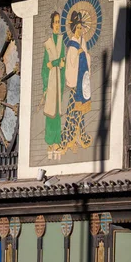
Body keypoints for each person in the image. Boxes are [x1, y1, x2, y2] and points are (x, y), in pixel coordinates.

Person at [61, 10, 93, 153]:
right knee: (74, 111)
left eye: (81, 28)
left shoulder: (82, 42)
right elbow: (70, 63)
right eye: (78, 28)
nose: (80, 31)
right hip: (76, 82)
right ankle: (70, 138)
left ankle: (79, 136)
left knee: (80, 112)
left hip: (83, 80)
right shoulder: (72, 44)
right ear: (74, 29)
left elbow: (87, 56)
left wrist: (84, 55)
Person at [41, 11, 65, 160]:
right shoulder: (48, 43)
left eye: (59, 22)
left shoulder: (61, 41)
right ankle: (50, 142)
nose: (57, 25)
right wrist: (44, 87)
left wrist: (56, 64)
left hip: (58, 80)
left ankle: (57, 142)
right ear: (51, 24)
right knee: (50, 113)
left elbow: (63, 61)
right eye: (55, 22)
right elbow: (45, 66)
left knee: (57, 112)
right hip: (50, 82)